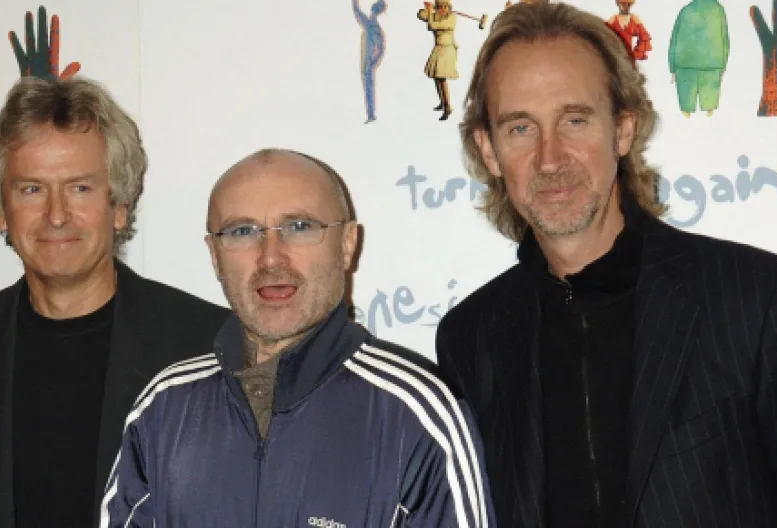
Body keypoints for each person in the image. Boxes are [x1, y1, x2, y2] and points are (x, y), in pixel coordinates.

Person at [436, 2, 777, 527]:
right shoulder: (471, 339)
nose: (550, 158)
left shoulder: (764, 303)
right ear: (488, 150)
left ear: (623, 129)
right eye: (520, 128)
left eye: (575, 120)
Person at [0, 76, 230, 527]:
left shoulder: (207, 345)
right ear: (0, 211)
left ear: (119, 206)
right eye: (31, 189)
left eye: (80, 188)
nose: (56, 216)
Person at [101, 149, 494, 527]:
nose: (271, 257)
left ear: (347, 244)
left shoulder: (417, 415)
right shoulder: (163, 409)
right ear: (215, 255)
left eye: (299, 227)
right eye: (242, 231)